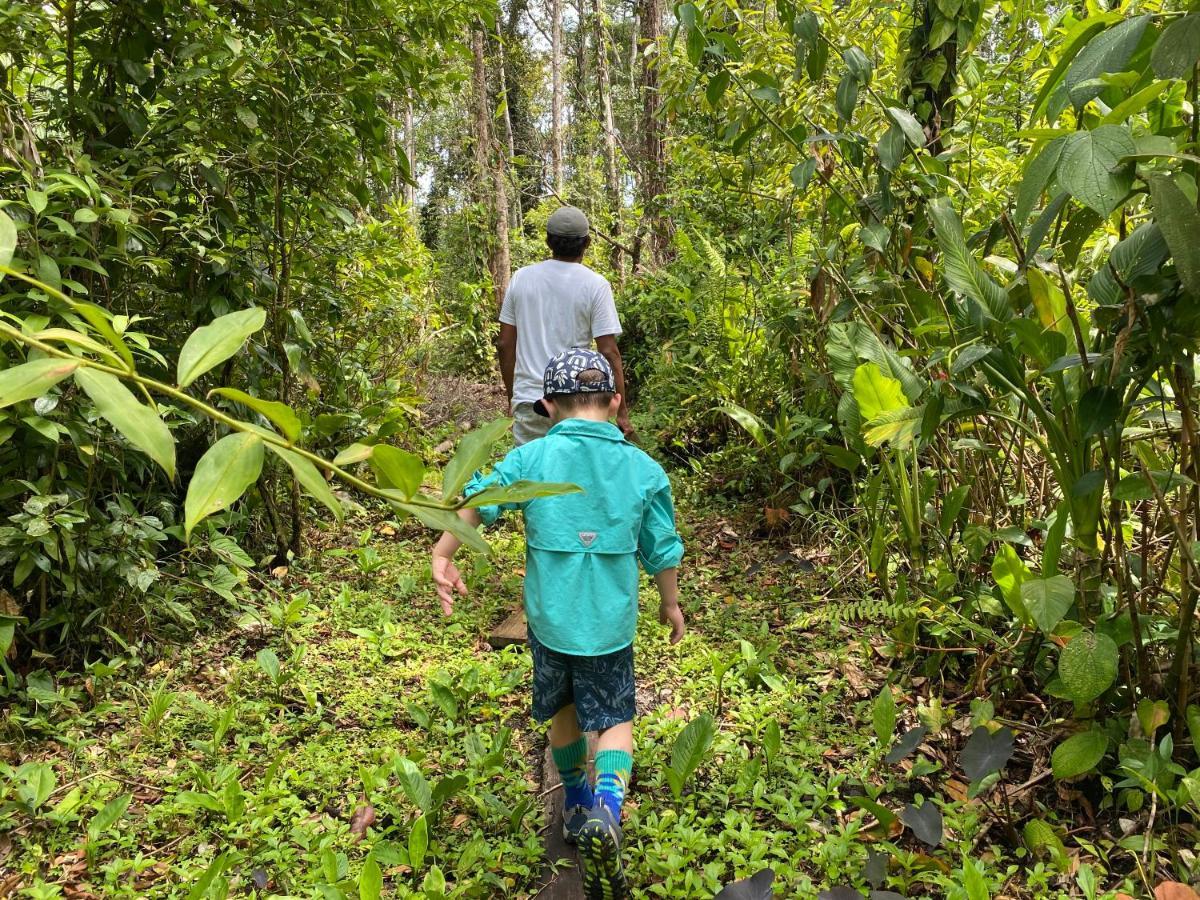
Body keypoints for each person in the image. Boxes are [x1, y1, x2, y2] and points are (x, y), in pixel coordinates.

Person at [430, 348, 684, 899]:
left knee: (563, 711)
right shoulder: (643, 469)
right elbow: (662, 549)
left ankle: (574, 803)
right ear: (616, 402)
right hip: (610, 631)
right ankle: (608, 810)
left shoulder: (531, 460)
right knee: (615, 718)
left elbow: (481, 499)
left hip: (549, 627)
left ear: (547, 406)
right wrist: (670, 604)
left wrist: (443, 552)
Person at [497, 206, 634, 445]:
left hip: (530, 400)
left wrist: (513, 396)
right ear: (587, 243)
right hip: (576, 403)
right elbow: (609, 352)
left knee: (531, 476)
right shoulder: (595, 285)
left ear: (548, 241)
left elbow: (505, 344)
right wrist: (621, 411)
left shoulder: (521, 278)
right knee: (574, 474)